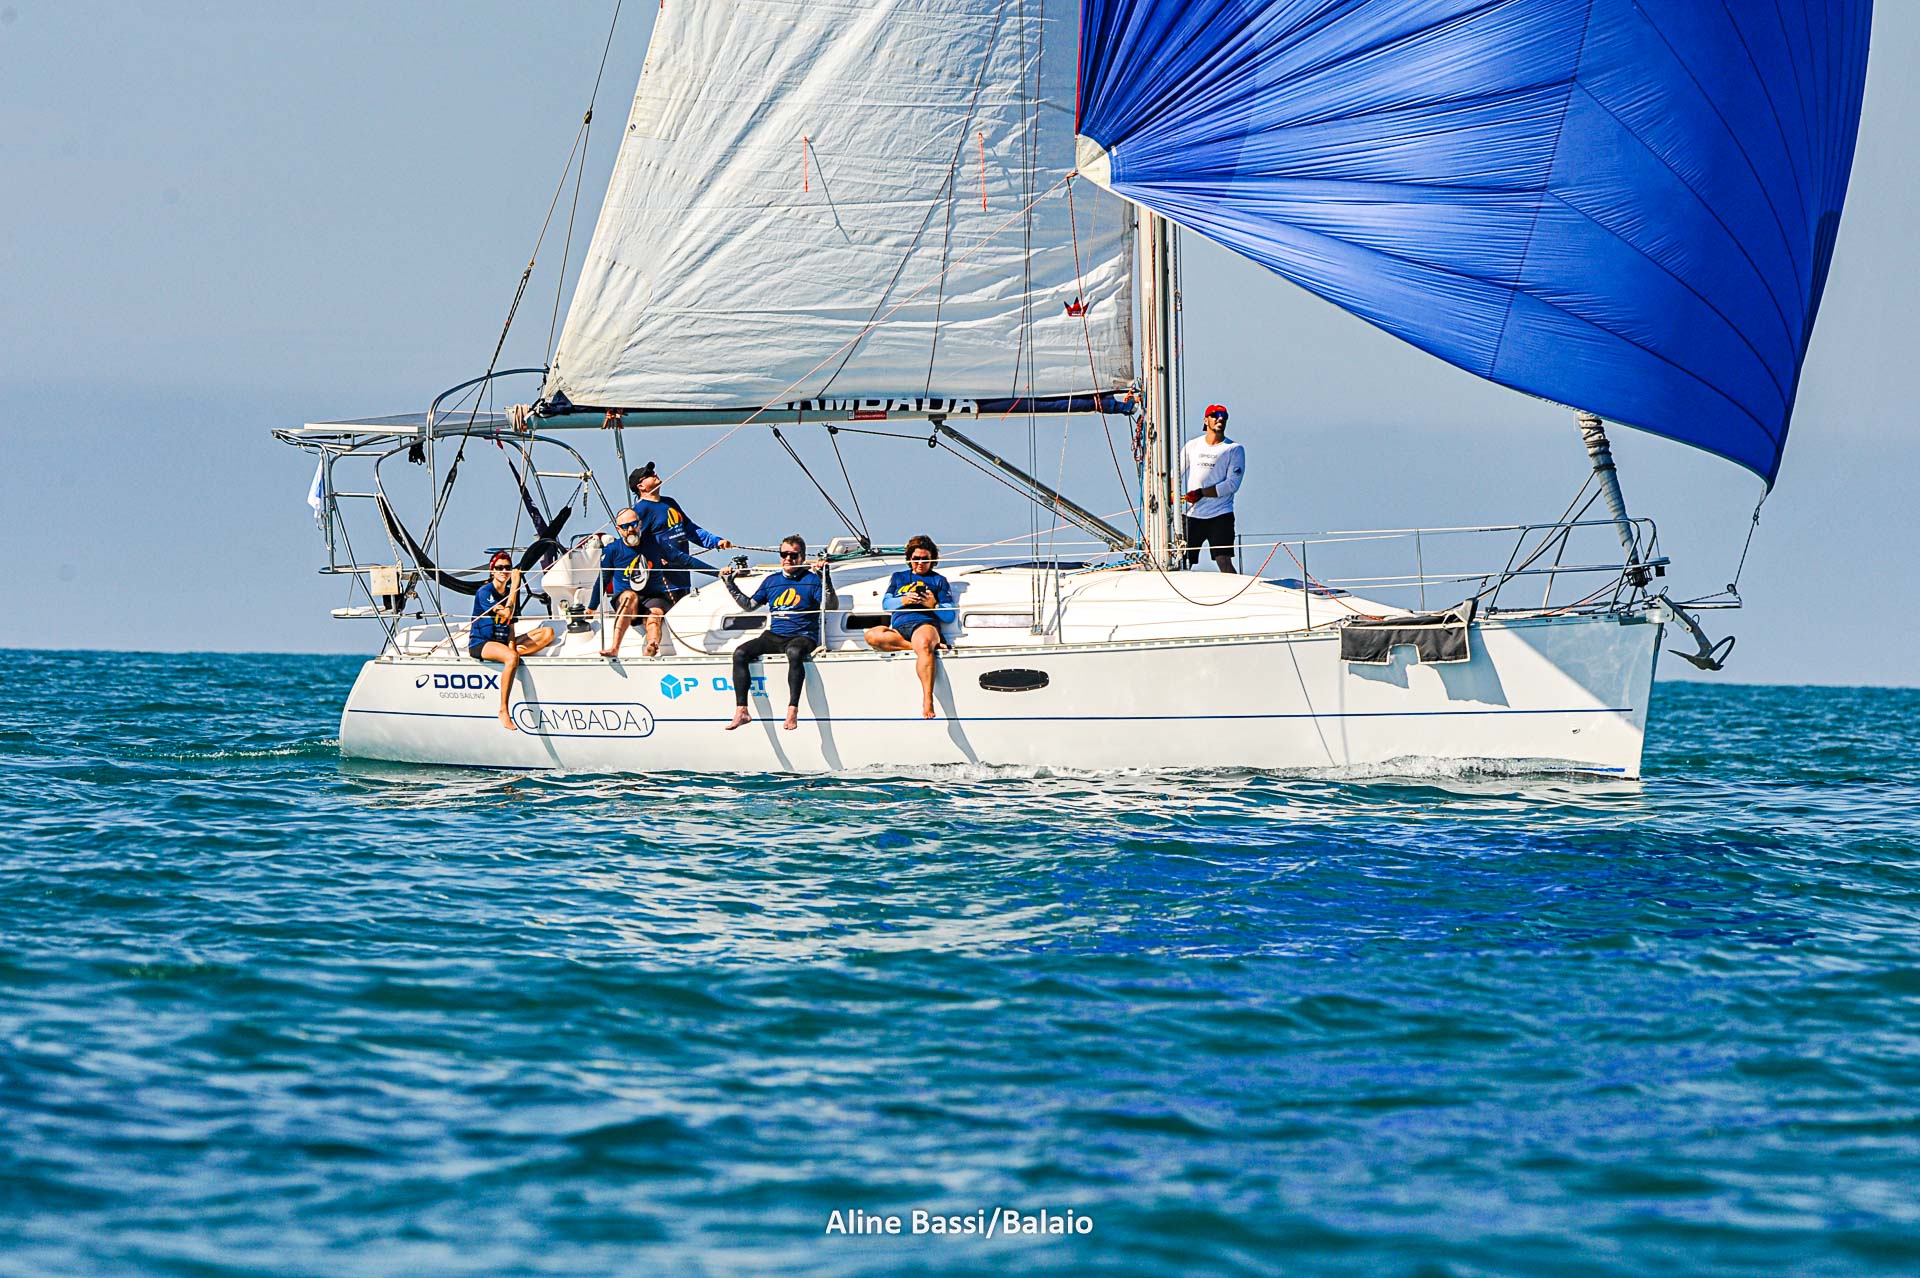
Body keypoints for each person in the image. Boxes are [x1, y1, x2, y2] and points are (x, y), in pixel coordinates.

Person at [720, 536, 836, 732]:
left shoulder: (811, 580)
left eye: (793, 555)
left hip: (803, 635)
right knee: (740, 653)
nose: (788, 559)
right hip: (775, 635)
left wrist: (826, 579)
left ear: (802, 557)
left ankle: (792, 710)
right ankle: (742, 711)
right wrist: (730, 584)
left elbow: (831, 606)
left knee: (794, 652)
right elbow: (749, 606)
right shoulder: (772, 581)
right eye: (784, 554)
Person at [864, 535, 957, 719]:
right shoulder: (898, 577)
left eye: (925, 559)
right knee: (872, 636)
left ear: (932, 560)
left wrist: (932, 604)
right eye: (916, 559)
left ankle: (927, 699)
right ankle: (925, 648)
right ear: (909, 559)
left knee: (923, 641)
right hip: (900, 627)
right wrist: (904, 600)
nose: (920, 563)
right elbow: (886, 604)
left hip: (923, 623)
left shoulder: (939, 581)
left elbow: (949, 615)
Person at [470, 550, 555, 731]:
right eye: (499, 568)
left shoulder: (510, 593)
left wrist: (512, 647)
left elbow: (511, 627)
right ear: (492, 571)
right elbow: (506, 614)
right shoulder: (485, 592)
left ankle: (510, 657)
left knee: (548, 633)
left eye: (507, 568)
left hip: (501, 642)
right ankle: (503, 710)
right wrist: (516, 584)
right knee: (511, 657)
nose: (504, 571)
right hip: (482, 642)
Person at [629, 462, 733, 607]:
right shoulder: (641, 510)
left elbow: (689, 529)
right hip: (663, 580)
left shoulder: (669, 502)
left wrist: (716, 541)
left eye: (653, 472)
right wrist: (653, 556)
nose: (655, 474)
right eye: (649, 475)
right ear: (641, 486)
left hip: (682, 576)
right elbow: (633, 543)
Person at [590, 508, 670, 657]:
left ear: (640, 524)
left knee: (654, 616)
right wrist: (591, 607)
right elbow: (603, 579)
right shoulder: (612, 550)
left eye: (633, 524)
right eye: (625, 526)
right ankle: (614, 648)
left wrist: (713, 571)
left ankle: (652, 645)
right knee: (629, 596)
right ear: (619, 529)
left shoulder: (654, 543)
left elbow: (682, 559)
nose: (631, 529)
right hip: (627, 601)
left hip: (653, 598)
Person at [1180, 403, 1247, 573]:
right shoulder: (1192, 446)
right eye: (1215, 415)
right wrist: (1170, 494)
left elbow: (1232, 484)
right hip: (1192, 514)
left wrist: (1201, 493)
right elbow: (1175, 473)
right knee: (1183, 562)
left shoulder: (1233, 449)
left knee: (1223, 560)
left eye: (1224, 416)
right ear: (1206, 420)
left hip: (1220, 514)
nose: (1220, 418)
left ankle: (1236, 588)